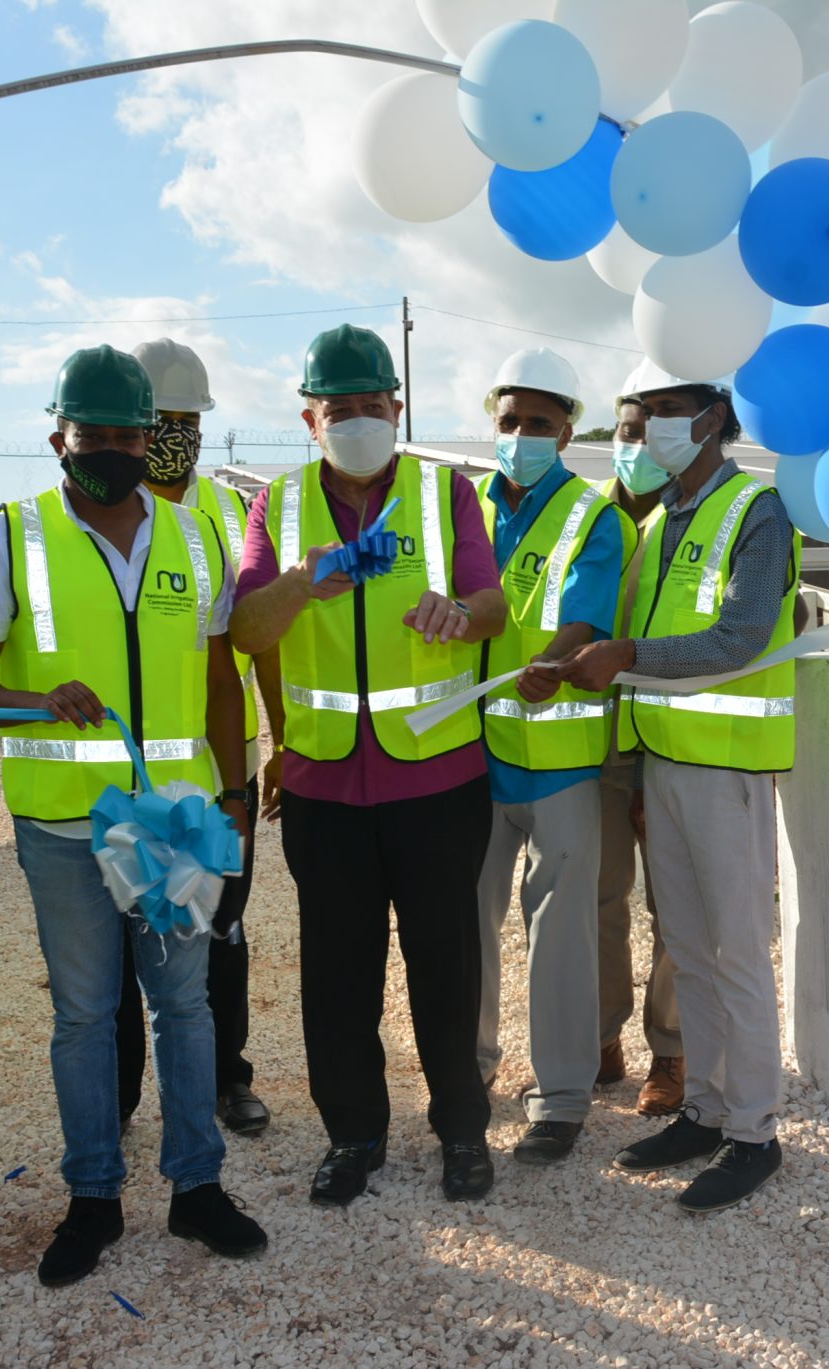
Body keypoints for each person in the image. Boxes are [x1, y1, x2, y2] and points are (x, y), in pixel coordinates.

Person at [0, 345, 264, 1286]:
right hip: (61, 823)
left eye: (133, 434)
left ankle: (197, 1189)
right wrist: (31, 698)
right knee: (86, 1016)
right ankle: (93, 1199)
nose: (117, 451)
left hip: (173, 818)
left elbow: (217, 682)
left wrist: (235, 791)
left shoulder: (198, 537)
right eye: (98, 437)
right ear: (59, 440)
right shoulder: (13, 536)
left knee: (186, 1009)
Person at [228, 324, 506, 1206]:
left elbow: (494, 605)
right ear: (310, 418)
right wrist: (301, 582)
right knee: (338, 972)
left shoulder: (446, 491)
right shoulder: (278, 504)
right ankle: (354, 1134)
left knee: (446, 963)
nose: (354, 421)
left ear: (398, 408)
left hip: (437, 779)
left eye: (369, 407)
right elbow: (247, 629)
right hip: (324, 787)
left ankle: (461, 1128)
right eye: (335, 409)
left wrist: (459, 615)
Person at [554, 370, 801, 1213]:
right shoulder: (660, 524)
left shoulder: (757, 510)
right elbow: (651, 649)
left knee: (736, 950)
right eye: (646, 411)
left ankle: (756, 1130)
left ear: (717, 417)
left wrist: (623, 656)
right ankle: (704, 1109)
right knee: (689, 946)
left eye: (669, 411)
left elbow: (736, 637)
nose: (653, 427)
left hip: (726, 767)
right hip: (665, 764)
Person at [110, 337, 279, 1138]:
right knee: (119, 939)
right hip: (118, 770)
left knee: (219, 927)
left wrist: (260, 758)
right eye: (161, 419)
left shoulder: (223, 512)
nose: (176, 433)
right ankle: (116, 1097)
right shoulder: (87, 509)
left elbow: (253, 639)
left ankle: (225, 1077)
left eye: (188, 419)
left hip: (216, 762)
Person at [468, 349, 626, 1165]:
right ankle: (469, 1075)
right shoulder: (468, 511)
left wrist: (556, 663)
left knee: (559, 931)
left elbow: (585, 619)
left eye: (537, 422)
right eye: (509, 422)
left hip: (560, 755)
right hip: (476, 757)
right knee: (468, 922)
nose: (521, 435)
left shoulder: (596, 517)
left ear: (567, 428)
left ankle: (561, 1099)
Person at [594, 364, 684, 1115]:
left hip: (669, 741)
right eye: (627, 432)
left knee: (674, 903)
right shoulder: (585, 519)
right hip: (588, 747)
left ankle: (672, 1052)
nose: (638, 446)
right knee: (593, 897)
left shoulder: (696, 522)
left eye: (651, 433)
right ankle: (598, 1037)